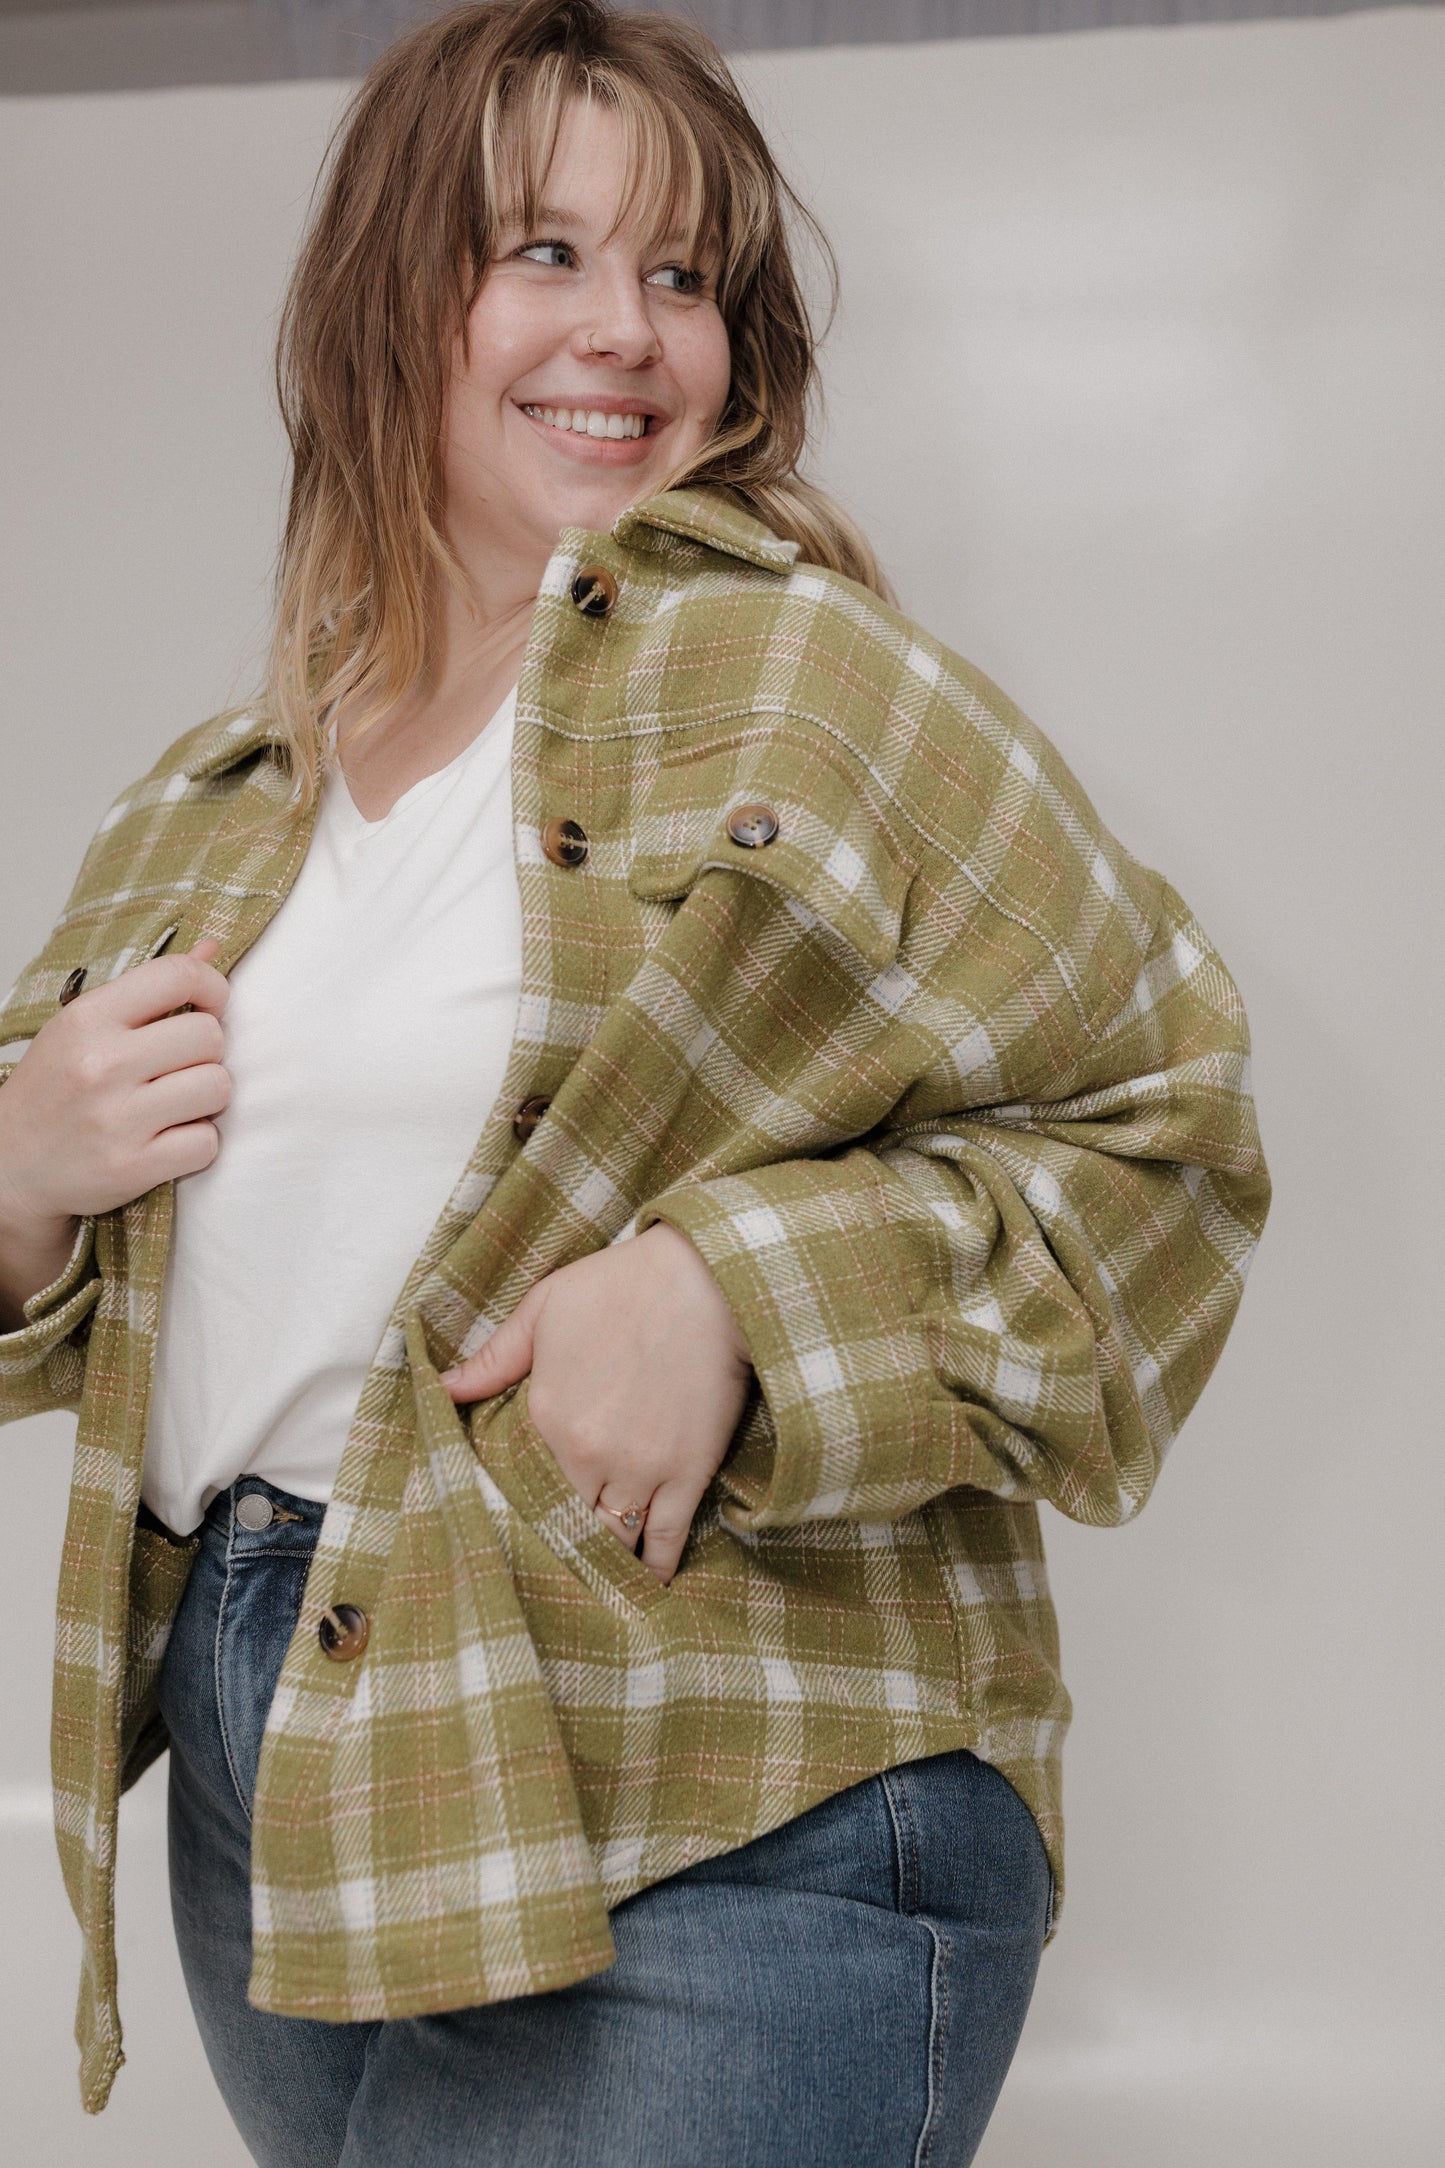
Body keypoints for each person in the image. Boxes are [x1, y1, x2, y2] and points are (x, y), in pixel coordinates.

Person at [0, 3, 1270, 2162]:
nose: (629, 332)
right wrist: (20, 1168)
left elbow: (1176, 1135)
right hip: (281, 1769)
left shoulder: (814, 682)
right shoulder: (218, 800)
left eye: (684, 274)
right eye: (547, 254)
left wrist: (745, 1294)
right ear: (392, 297)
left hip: (724, 1791)